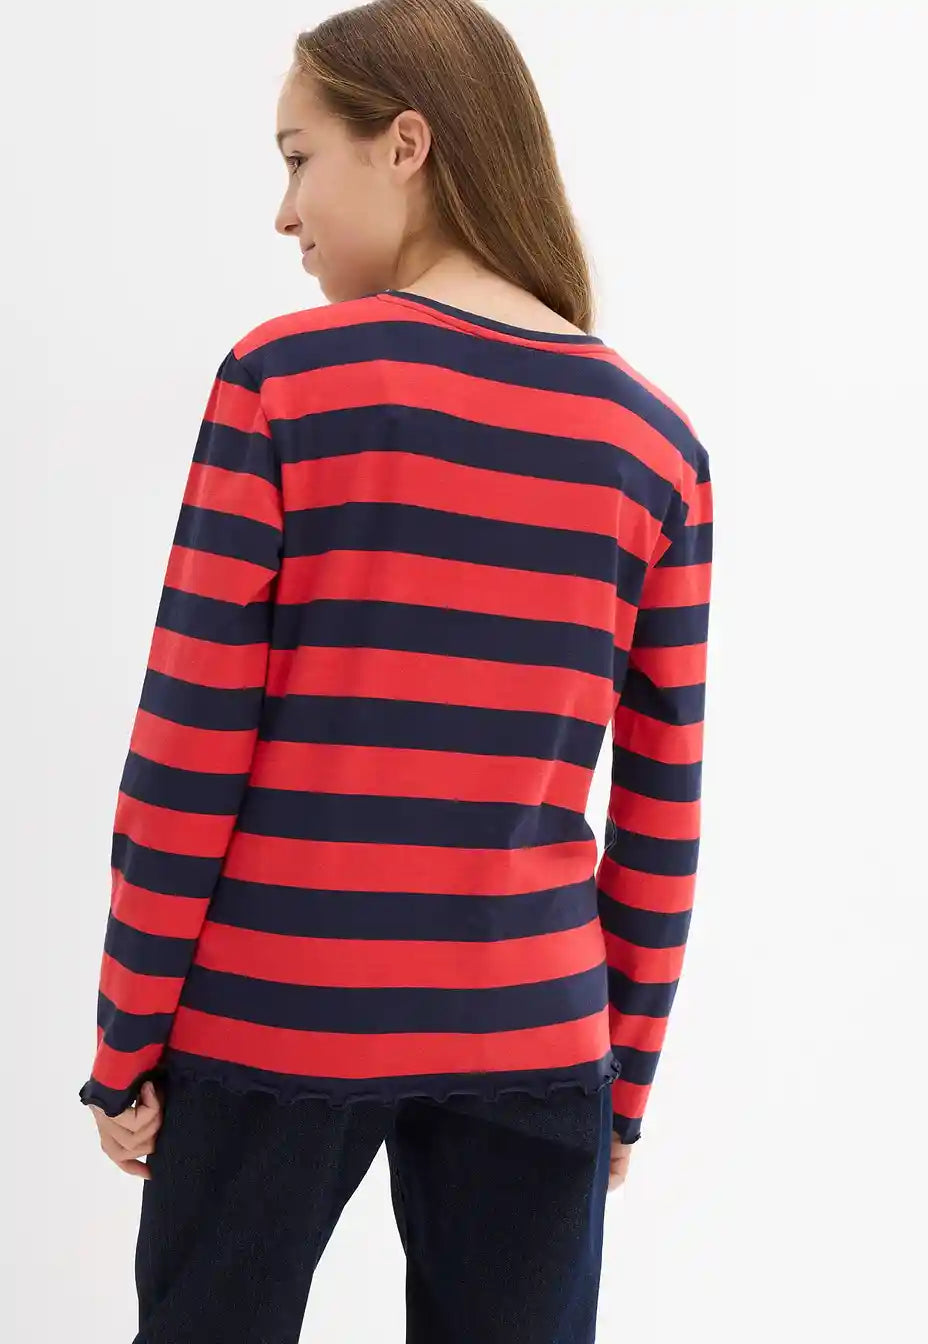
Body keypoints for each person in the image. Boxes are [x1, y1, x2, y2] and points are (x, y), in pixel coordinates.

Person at [78, 1, 712, 1340]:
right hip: (538, 1029)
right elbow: (661, 807)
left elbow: (189, 743)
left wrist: (127, 1038)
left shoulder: (285, 383)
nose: (285, 213)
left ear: (406, 144)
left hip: (276, 1011)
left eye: (299, 158)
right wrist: (622, 1077)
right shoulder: (655, 445)